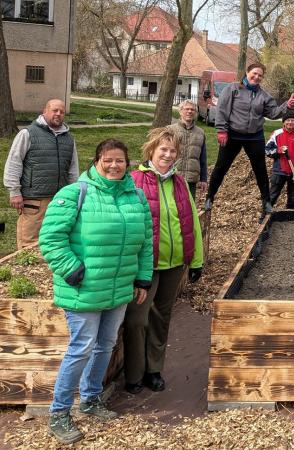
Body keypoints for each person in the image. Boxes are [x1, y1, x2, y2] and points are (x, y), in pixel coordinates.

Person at [39, 139, 153, 445]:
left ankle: (90, 399)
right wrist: (73, 269)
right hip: (84, 289)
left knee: (105, 345)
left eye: (120, 160)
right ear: (96, 162)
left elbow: (145, 243)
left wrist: (143, 279)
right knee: (81, 347)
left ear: (128, 163)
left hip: (118, 289)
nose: (114, 165)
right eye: (108, 160)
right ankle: (60, 413)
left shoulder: (136, 197)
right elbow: (50, 239)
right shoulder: (76, 193)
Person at [125, 127, 204, 395]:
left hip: (173, 264)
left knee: (161, 316)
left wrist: (196, 261)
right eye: (163, 150)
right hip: (144, 266)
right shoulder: (135, 180)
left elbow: (192, 219)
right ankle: (134, 373)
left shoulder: (179, 182)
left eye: (172, 151)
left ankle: (153, 370)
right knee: (137, 319)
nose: (168, 155)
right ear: (151, 151)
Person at [205, 63, 294, 217]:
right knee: (221, 166)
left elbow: (273, 113)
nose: (256, 77)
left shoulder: (264, 96)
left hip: (254, 136)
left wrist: (286, 106)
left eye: (260, 75)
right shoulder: (233, 89)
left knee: (260, 169)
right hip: (233, 134)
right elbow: (221, 109)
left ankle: (266, 202)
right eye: (254, 73)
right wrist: (221, 130)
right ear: (247, 72)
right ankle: (210, 197)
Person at [4, 99, 79, 249]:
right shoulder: (27, 134)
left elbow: (73, 169)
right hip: (34, 201)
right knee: (29, 243)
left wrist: (75, 193)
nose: (58, 114)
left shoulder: (69, 139)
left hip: (60, 200)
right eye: (54, 110)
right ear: (44, 111)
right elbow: (14, 162)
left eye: (62, 112)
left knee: (56, 241)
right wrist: (14, 191)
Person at [265, 110, 294, 209]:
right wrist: (278, 151)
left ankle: (289, 219)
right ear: (284, 122)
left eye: (293, 120)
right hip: (279, 171)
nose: (290, 122)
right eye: (288, 120)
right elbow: (267, 150)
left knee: (292, 199)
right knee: (272, 196)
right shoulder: (276, 134)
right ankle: (264, 217)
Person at [170, 100, 208, 198]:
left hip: (191, 180)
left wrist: (203, 179)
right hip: (172, 177)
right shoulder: (170, 130)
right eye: (187, 109)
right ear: (180, 111)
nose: (189, 111)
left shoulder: (200, 133)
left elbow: (203, 158)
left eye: (192, 110)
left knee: (189, 209)